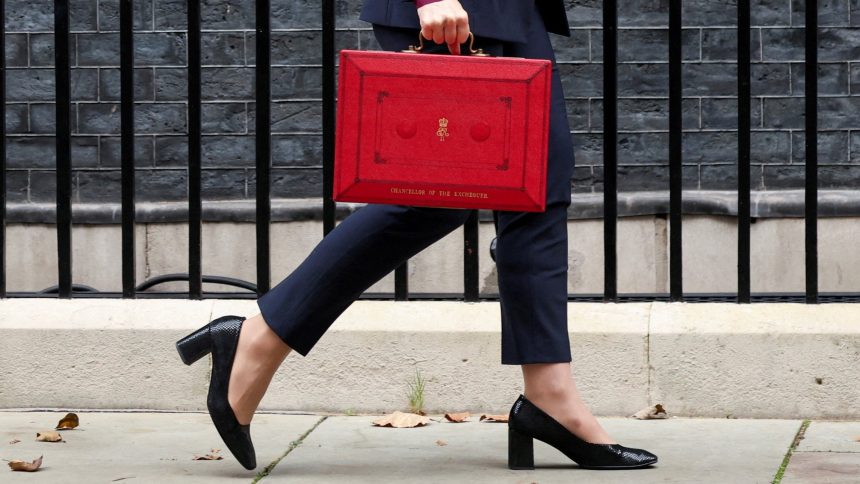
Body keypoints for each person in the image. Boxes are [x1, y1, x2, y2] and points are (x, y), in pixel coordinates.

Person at [175, 0, 657, 472]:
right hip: (453, 10)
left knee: (538, 187)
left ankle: (550, 392)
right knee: (433, 193)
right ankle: (259, 337)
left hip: (514, 9)